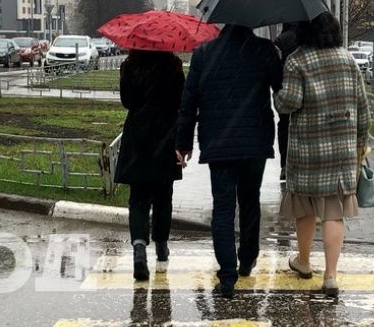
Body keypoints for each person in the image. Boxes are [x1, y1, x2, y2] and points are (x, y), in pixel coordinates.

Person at [175, 24, 283, 298]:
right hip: (254, 143)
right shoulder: (264, 51)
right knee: (249, 202)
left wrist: (183, 143)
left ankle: (227, 275)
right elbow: (281, 91)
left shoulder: (204, 54)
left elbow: (189, 102)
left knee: (222, 208)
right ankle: (247, 259)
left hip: (218, 143)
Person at [275, 12, 370, 299]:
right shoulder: (347, 59)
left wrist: (276, 95)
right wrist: (360, 143)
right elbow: (362, 106)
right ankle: (330, 276)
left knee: (303, 208)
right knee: (333, 213)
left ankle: (303, 262)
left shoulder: (297, 60)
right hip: (340, 150)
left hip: (307, 149)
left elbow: (288, 103)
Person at [114, 50, 185, 282]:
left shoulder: (130, 66)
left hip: (138, 137)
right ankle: (162, 246)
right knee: (164, 196)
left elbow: (126, 102)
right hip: (166, 136)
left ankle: (139, 250)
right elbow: (180, 101)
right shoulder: (173, 66)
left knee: (138, 198)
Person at [273, 23, 300, 181]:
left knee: (284, 127)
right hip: (304, 92)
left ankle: (285, 164)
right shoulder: (306, 39)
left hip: (284, 91)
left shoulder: (280, 41)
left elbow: (275, 67)